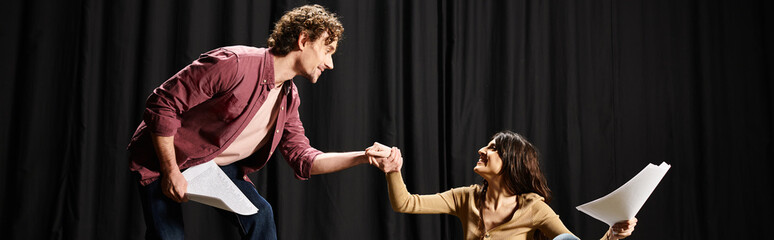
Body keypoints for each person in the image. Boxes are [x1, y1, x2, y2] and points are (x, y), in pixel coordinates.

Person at [127, 5, 392, 240]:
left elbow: (304, 158)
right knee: (168, 235)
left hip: (213, 163)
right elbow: (162, 104)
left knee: (260, 215)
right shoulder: (235, 64)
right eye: (327, 50)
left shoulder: (289, 98)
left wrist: (364, 156)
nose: (330, 63)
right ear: (303, 40)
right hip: (164, 156)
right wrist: (171, 170)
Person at [367, 131, 637, 240]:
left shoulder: (534, 208)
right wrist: (393, 170)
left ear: (511, 162)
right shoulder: (466, 198)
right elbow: (405, 203)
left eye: (493, 148)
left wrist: (612, 235)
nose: (482, 149)